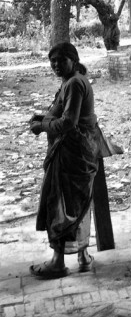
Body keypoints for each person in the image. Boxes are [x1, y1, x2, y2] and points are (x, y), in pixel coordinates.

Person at [28, 42, 113, 279]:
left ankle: (58, 262)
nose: (56, 65)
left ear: (73, 60)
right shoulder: (71, 81)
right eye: (52, 61)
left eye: (61, 60)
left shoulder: (75, 83)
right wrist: (44, 117)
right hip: (79, 153)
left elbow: (68, 123)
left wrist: (42, 126)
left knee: (61, 205)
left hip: (72, 155)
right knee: (78, 205)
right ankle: (83, 257)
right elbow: (66, 114)